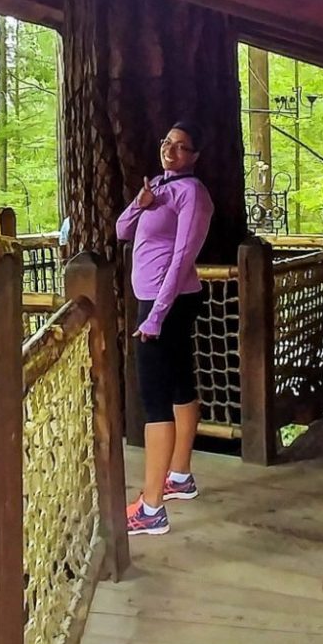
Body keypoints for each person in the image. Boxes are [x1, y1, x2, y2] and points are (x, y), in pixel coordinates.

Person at [116, 121, 213, 537]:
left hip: (166, 303)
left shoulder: (193, 194)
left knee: (154, 397)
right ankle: (179, 477)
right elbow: (122, 230)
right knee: (178, 386)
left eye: (180, 147)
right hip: (161, 302)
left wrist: (155, 315)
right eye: (166, 143)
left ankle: (151, 506)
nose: (170, 151)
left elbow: (182, 256)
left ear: (195, 155)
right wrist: (141, 202)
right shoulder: (159, 185)